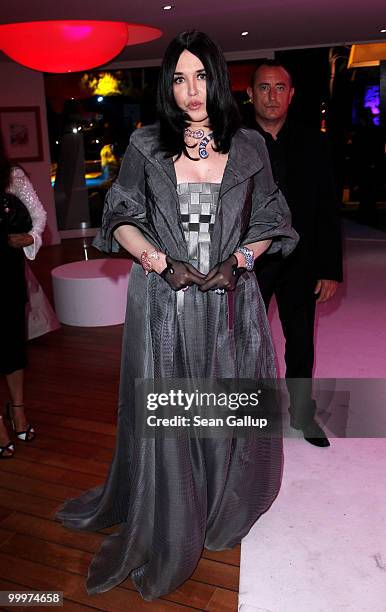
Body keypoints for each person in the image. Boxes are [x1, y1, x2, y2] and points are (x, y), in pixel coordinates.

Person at [57, 31, 298, 601]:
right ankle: (171, 509)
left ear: (218, 79)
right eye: (180, 77)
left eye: (202, 75)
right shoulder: (145, 145)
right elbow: (118, 216)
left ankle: (220, 499)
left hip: (229, 306)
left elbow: (271, 219)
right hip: (164, 304)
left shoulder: (247, 147)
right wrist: (161, 263)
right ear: (169, 85)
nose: (192, 90)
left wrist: (237, 262)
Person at [247, 60, 343, 447]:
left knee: (301, 341)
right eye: (264, 88)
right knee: (245, 343)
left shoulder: (313, 142)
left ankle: (303, 414)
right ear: (250, 93)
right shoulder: (232, 143)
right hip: (249, 262)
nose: (273, 96)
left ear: (292, 94)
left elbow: (326, 208)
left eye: (280, 88)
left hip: (301, 262)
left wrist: (330, 268)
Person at [0, 138, 46, 457]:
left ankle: (17, 409)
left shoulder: (12, 176)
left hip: (6, 274)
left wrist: (31, 236)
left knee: (13, 348)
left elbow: (39, 215)